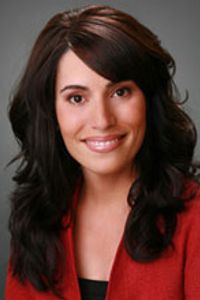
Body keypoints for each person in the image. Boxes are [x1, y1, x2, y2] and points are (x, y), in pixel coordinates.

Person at [5, 4, 200, 300]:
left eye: (120, 92)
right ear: (51, 112)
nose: (102, 120)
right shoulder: (36, 218)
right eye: (77, 98)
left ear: (148, 100)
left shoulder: (195, 220)